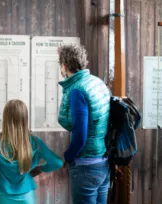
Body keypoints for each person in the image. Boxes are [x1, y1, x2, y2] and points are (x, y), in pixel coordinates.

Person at [0, 99, 63, 204]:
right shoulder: (35, 143)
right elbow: (57, 162)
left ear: (5, 118)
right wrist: (41, 168)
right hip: (26, 196)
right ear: (25, 119)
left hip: (3, 194)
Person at [57, 44, 111, 204]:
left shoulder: (77, 90)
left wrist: (68, 156)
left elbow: (80, 136)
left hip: (86, 166)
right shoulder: (98, 83)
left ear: (64, 65)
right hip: (103, 162)